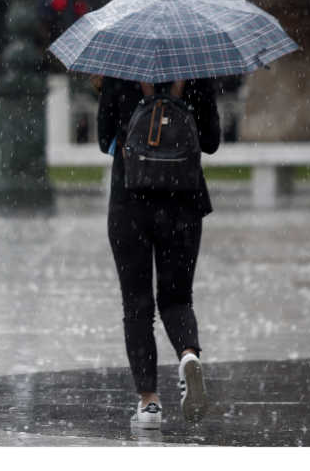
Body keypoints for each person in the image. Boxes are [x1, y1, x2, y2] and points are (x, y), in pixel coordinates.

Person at [96, 74, 221, 430]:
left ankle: (149, 403)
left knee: (136, 305)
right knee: (177, 298)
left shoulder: (119, 73)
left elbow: (105, 140)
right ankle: (187, 355)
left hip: (130, 201)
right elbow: (211, 143)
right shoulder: (196, 72)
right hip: (183, 201)